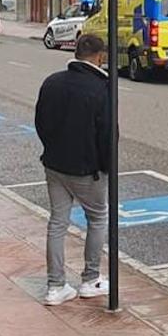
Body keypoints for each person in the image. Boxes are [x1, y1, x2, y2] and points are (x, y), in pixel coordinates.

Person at [34, 33, 111, 306]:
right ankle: (90, 280)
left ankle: (55, 286)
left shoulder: (52, 82)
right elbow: (106, 134)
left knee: (57, 222)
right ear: (100, 56)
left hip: (55, 164)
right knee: (98, 218)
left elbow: (40, 122)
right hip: (87, 169)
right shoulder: (101, 88)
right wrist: (105, 167)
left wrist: (52, 149)